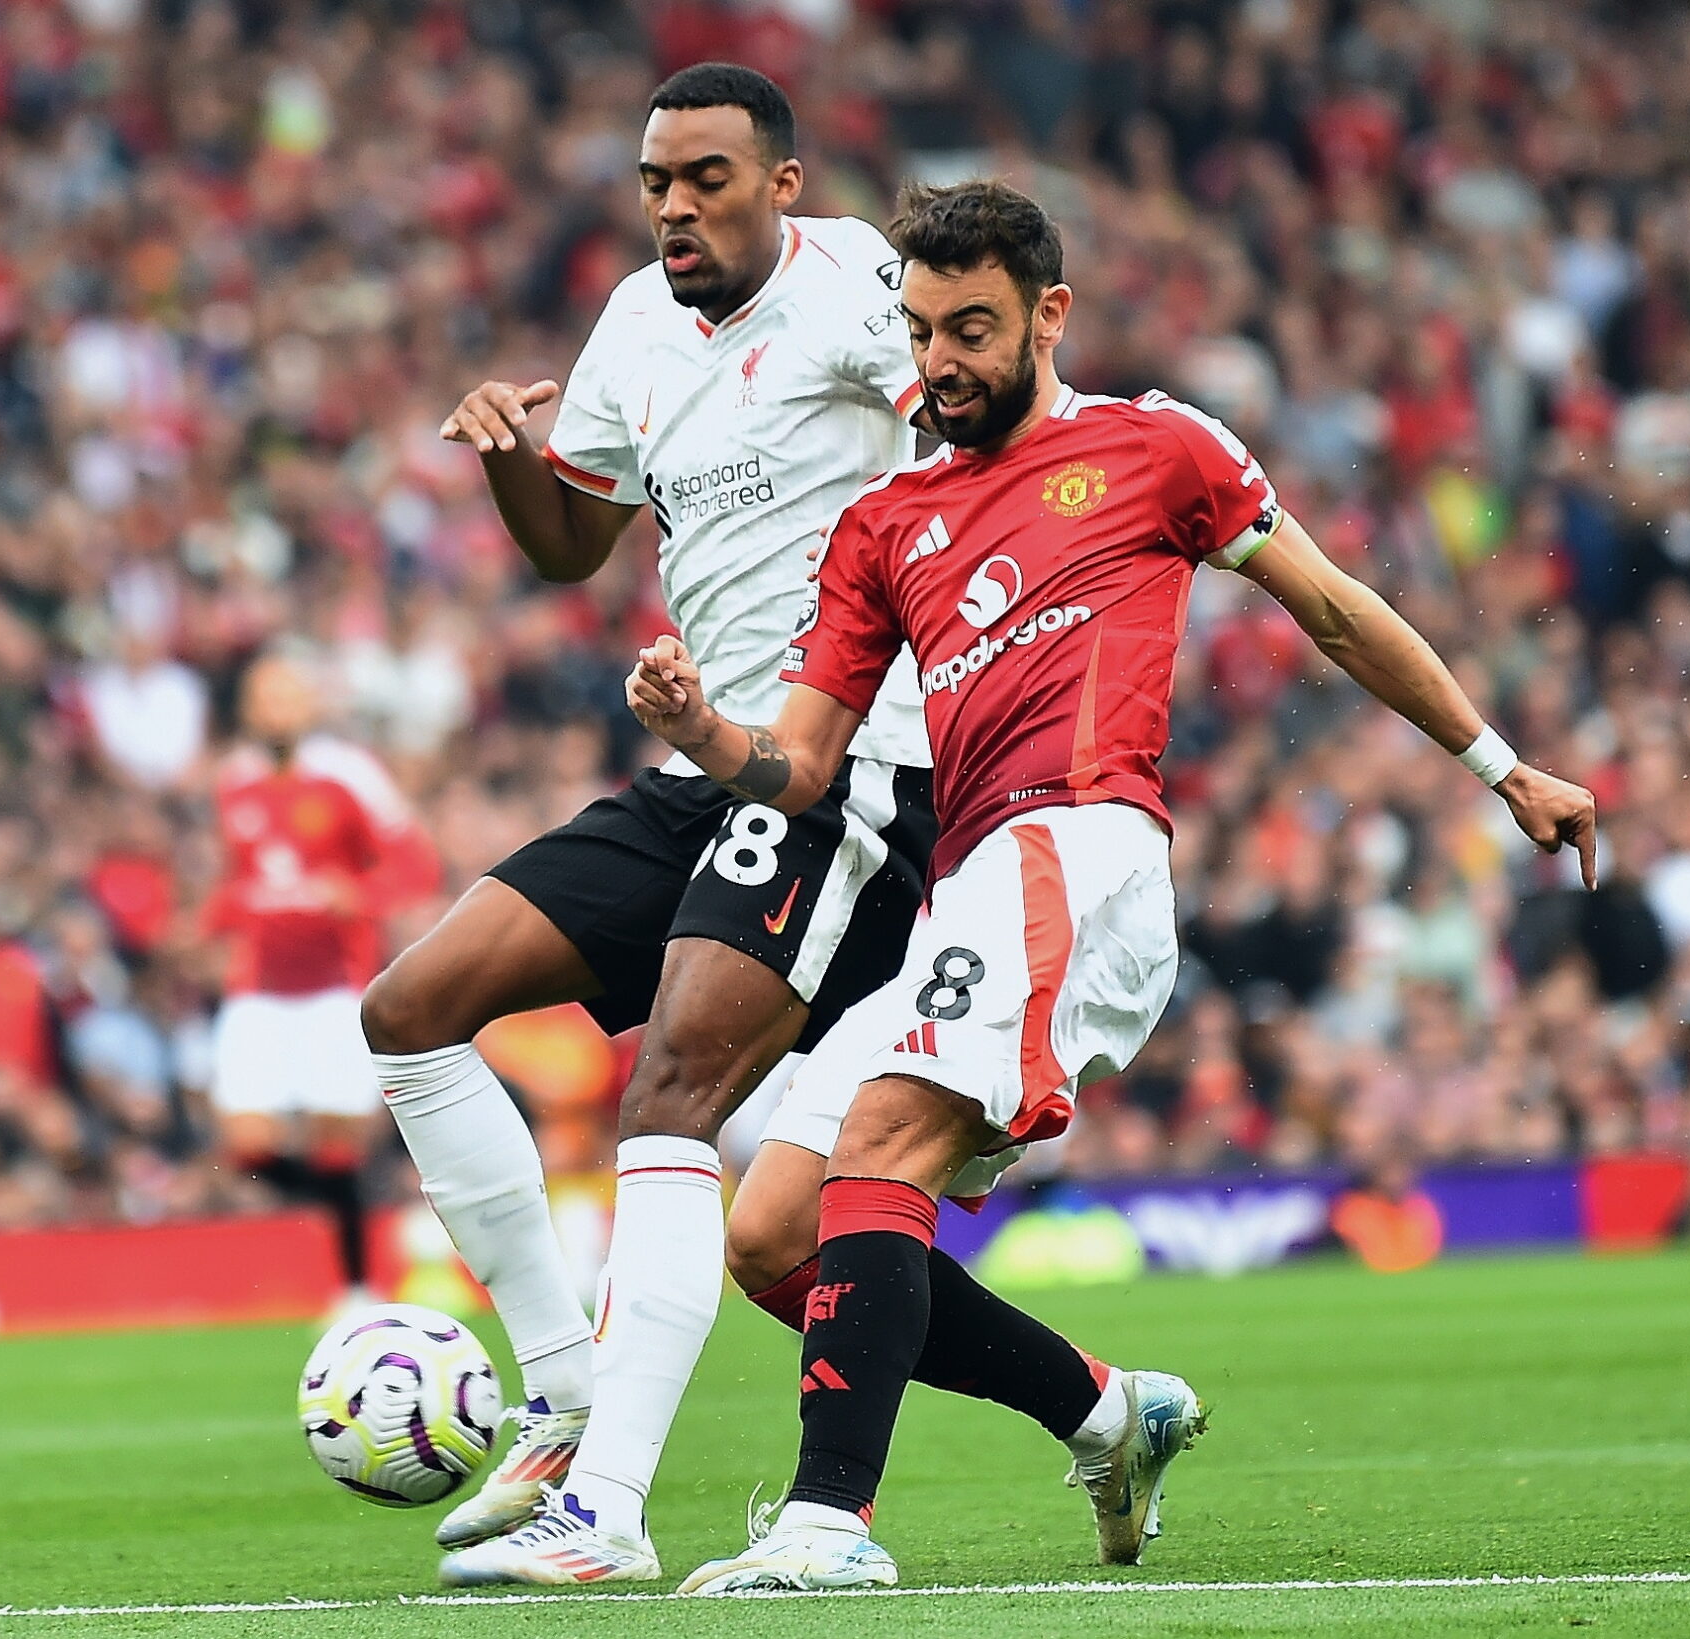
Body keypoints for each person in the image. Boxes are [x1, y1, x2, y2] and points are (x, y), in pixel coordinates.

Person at [624, 180, 1599, 1594]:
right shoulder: (887, 522)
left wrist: (1500, 763)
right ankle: (1102, 1408)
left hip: (1081, 848)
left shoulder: (1155, 449)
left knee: (882, 1142)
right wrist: (702, 735)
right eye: (919, 329)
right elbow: (802, 762)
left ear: (1048, 314)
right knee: (772, 1231)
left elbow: (1330, 607)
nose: (938, 360)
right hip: (973, 885)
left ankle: (829, 1522)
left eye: (971, 328)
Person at [364, 63, 940, 1585]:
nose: (676, 207)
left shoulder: (862, 289)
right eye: (656, 183)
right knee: (410, 1006)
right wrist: (505, 454)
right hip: (698, 763)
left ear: (785, 184)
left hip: (842, 761)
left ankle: (602, 1513)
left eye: (706, 178)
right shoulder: (632, 322)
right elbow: (571, 543)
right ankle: (559, 1385)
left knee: (671, 1090)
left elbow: (970, 439)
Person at [205, 654, 390, 1307]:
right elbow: (237, 881)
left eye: (288, 694)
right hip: (256, 988)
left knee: (336, 1138)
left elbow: (407, 867)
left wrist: (357, 893)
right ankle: (347, 1211)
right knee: (245, 1146)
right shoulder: (233, 785)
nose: (276, 708)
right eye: (265, 696)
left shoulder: (347, 779)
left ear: (309, 705)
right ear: (249, 709)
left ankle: (357, 1285)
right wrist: (209, 924)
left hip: (333, 987)